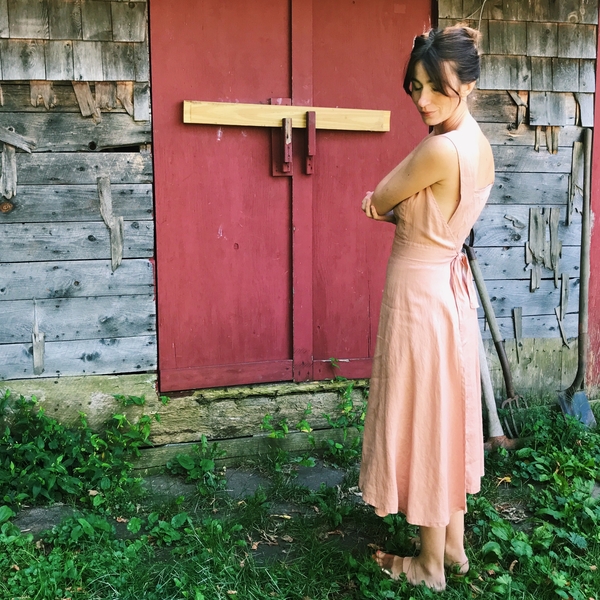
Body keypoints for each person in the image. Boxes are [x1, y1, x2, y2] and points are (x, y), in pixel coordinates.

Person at [358, 25, 495, 592]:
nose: (422, 101)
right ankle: (454, 549)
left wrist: (386, 205)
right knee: (442, 413)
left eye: (436, 89)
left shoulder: (438, 148)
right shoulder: (477, 143)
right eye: (414, 88)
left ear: (465, 84)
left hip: (420, 293)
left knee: (424, 417)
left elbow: (381, 196)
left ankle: (429, 565)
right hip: (448, 288)